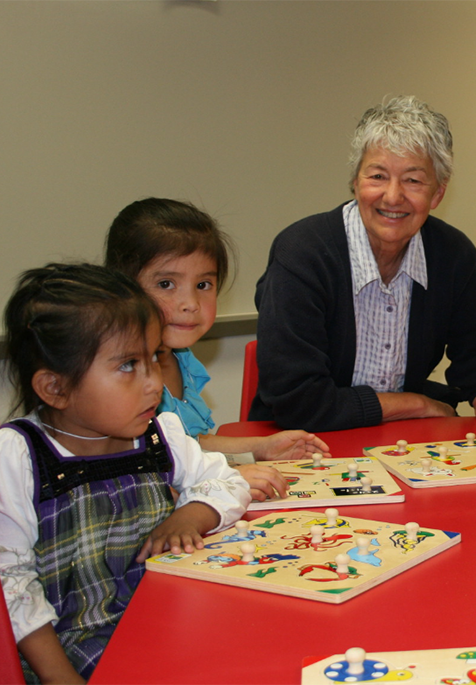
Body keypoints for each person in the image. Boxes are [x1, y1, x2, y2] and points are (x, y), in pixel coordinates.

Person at [0, 263, 252, 683]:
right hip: (67, 646)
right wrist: (58, 676)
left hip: (158, 623)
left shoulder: (162, 433)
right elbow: (7, 585)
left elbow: (228, 482)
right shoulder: (12, 457)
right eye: (128, 365)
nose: (154, 385)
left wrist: (190, 514)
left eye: (154, 359)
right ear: (55, 387)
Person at [251, 95, 476, 444]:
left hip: (408, 447)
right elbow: (298, 403)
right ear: (355, 183)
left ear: (437, 195)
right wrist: (416, 403)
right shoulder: (302, 254)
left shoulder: (453, 256)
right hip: (301, 444)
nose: (392, 196)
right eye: (377, 176)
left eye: (413, 181)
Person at [105, 198, 332, 501]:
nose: (190, 304)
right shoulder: (119, 377)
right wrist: (226, 478)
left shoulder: (180, 358)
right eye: (166, 284)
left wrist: (259, 448)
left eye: (203, 285)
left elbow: (190, 445)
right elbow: (133, 478)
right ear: (123, 285)